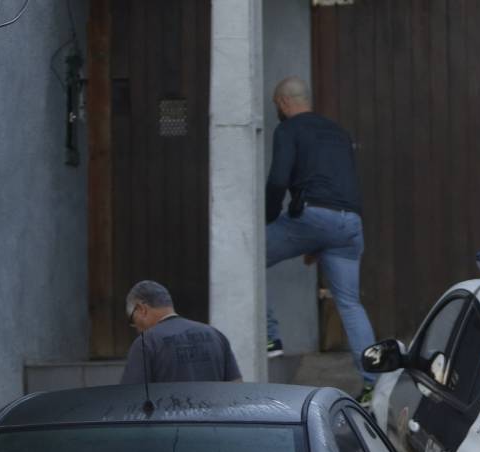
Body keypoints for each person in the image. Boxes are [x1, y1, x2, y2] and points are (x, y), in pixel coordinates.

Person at [265, 76, 377, 402]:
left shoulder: (287, 129)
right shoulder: (338, 133)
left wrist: (269, 219)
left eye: (277, 107)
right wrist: (320, 240)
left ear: (284, 104)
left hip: (314, 217)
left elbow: (277, 181)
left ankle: (270, 338)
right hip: (350, 224)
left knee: (248, 260)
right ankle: (374, 382)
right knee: (350, 303)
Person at [120, 280, 242, 384]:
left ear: (142, 309)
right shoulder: (216, 336)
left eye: (132, 319)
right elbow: (236, 387)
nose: (135, 327)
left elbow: (130, 399)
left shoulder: (146, 343)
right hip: (214, 412)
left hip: (167, 412)